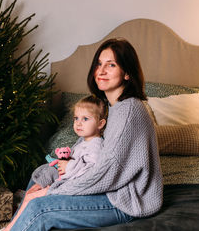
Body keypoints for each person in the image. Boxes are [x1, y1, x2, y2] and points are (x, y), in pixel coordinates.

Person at [10, 38, 163, 230]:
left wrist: (54, 191)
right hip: (110, 186)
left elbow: (107, 171)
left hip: (125, 200)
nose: (101, 70)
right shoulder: (111, 106)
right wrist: (50, 177)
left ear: (127, 74)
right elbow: (84, 149)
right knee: (41, 175)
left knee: (40, 208)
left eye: (111, 65)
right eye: (99, 64)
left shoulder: (129, 110)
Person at [4, 95, 108, 231]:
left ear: (100, 124)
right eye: (76, 118)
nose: (78, 123)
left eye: (85, 119)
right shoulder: (83, 141)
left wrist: (68, 166)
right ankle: (11, 227)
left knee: (32, 198)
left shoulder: (96, 145)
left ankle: (10, 228)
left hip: (74, 189)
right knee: (30, 193)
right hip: (65, 183)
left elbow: (90, 172)